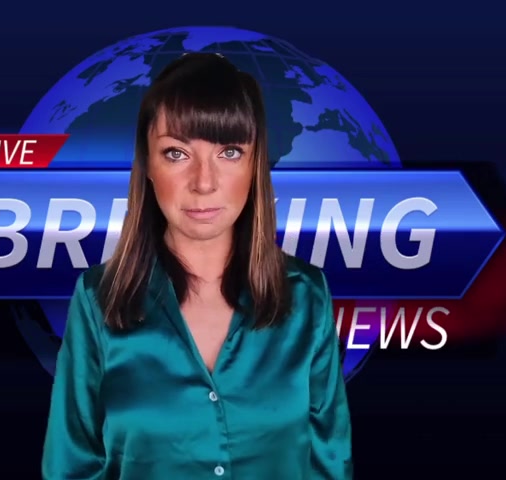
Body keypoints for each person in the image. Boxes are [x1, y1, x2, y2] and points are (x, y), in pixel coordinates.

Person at [42, 52, 352, 479]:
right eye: (176, 153)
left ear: (255, 164)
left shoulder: (307, 294)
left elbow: (330, 465)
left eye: (229, 152)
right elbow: (70, 467)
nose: (204, 183)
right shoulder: (98, 300)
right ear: (147, 165)